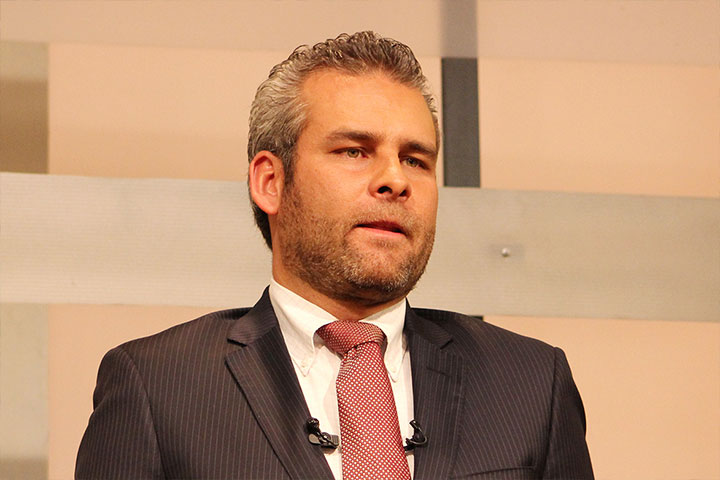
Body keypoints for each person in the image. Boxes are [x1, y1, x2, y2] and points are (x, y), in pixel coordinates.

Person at [76, 31, 593, 479]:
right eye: (354, 151)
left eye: (415, 159)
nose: (394, 180)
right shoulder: (156, 387)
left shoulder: (530, 382)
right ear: (271, 181)